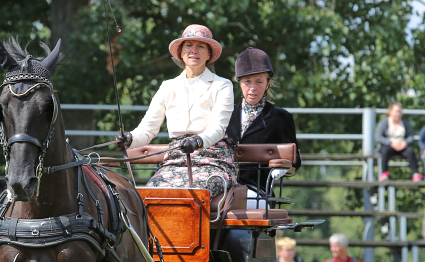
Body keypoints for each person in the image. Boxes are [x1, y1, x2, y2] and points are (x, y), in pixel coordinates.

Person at [116, 24, 235, 198]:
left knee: (190, 195)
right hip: (175, 161)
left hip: (213, 160)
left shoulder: (222, 85)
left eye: (201, 46)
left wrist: (197, 141)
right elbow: (148, 129)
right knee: (148, 196)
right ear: (180, 53)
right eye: (189, 45)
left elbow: (218, 128)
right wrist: (129, 139)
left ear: (209, 54)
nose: (194, 50)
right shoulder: (167, 87)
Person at [225, 48, 301, 207]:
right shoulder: (225, 113)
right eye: (247, 81)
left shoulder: (280, 118)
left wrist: (281, 167)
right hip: (223, 185)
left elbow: (295, 160)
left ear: (268, 84)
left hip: (257, 189)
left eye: (259, 81)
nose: (253, 88)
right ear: (239, 82)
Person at [375, 103, 421, 182]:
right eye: (396, 111)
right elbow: (378, 137)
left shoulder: (405, 123)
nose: (398, 114)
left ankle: (416, 174)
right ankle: (384, 174)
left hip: (402, 146)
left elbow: (411, 137)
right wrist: (391, 143)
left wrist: (405, 143)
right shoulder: (384, 122)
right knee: (385, 151)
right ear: (390, 112)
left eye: (400, 112)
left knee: (410, 151)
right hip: (389, 146)